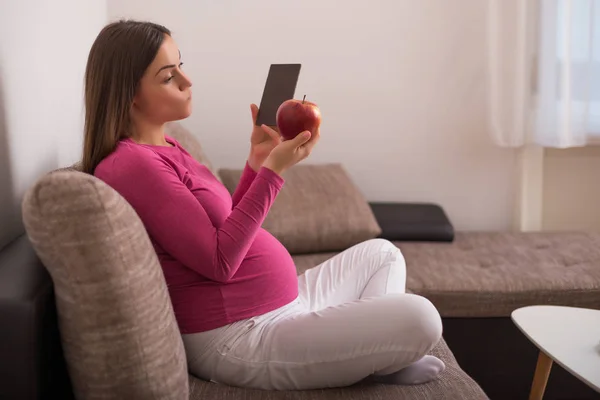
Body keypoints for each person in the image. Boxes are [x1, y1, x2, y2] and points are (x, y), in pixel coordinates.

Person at [84, 19, 445, 391]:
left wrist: (257, 162)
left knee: (383, 255)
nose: (187, 81)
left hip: (281, 307)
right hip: (239, 336)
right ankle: (377, 358)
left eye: (181, 65)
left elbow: (226, 223)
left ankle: (374, 357)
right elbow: (220, 262)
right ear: (129, 94)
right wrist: (274, 171)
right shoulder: (132, 165)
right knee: (421, 317)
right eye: (167, 76)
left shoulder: (169, 147)